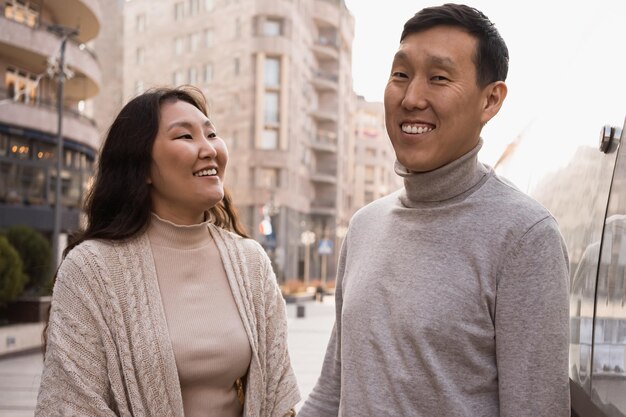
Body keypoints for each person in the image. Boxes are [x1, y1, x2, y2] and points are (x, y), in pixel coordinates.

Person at [299, 4, 570, 417]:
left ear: (490, 100)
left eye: (439, 78)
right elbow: (330, 393)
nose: (411, 98)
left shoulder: (525, 237)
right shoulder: (364, 226)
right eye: (401, 75)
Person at [36, 86, 300, 417]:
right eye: (185, 137)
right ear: (142, 166)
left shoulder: (251, 262)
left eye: (211, 134)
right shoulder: (91, 269)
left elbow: (277, 398)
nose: (209, 150)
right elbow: (69, 404)